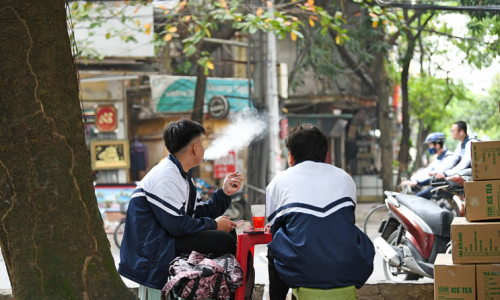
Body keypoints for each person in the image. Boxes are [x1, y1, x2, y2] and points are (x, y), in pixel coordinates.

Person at [118, 118, 243, 290]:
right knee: (222, 240)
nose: (204, 148)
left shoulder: (181, 175)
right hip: (153, 252)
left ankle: (212, 289)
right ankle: (213, 290)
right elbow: (177, 225)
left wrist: (225, 192)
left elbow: (200, 213)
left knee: (229, 234)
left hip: (166, 241)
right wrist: (214, 224)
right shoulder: (165, 177)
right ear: (195, 148)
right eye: (202, 143)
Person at [265, 123, 374, 300]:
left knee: (275, 246)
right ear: (324, 154)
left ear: (290, 156)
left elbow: (275, 228)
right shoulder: (345, 178)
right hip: (348, 269)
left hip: (302, 272)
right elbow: (346, 221)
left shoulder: (278, 182)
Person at [401, 132, 454, 199]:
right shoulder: (438, 157)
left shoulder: (448, 157)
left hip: (445, 189)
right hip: (438, 187)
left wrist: (417, 182)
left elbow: (436, 173)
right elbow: (427, 170)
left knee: (417, 198)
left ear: (437, 145)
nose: (429, 148)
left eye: (430, 145)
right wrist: (412, 179)